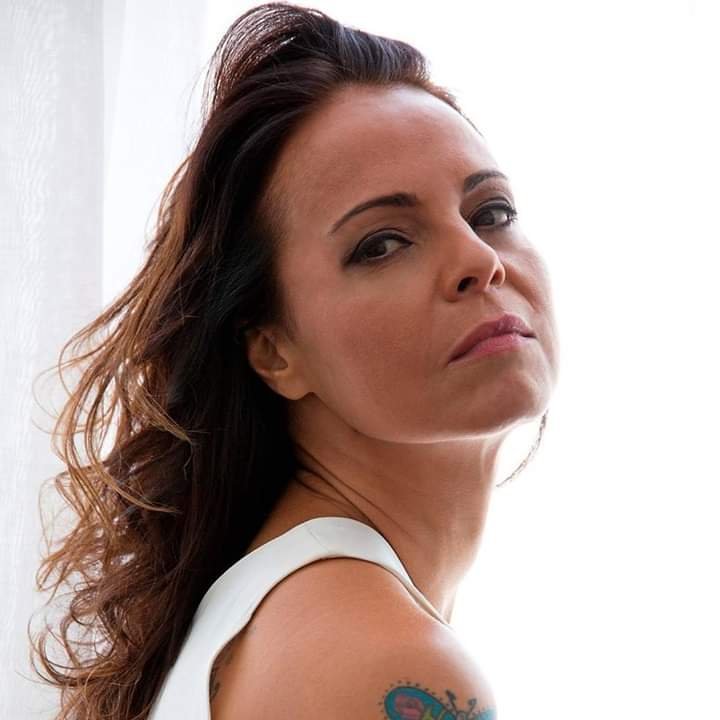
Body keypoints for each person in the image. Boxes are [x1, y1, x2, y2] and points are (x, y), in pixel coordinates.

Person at [29, 3, 559, 720]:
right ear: (274, 350)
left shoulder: (284, 608)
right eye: (382, 244)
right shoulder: (384, 660)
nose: (478, 259)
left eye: (490, 212)